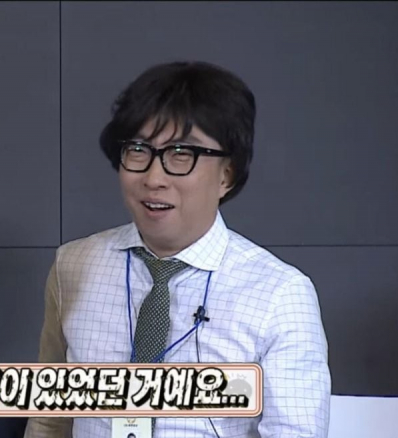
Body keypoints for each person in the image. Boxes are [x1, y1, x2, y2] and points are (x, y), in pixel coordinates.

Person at [24, 61, 330, 437]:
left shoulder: (280, 294)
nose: (154, 178)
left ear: (227, 174)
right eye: (138, 150)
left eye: (181, 153)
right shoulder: (74, 264)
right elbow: (51, 417)